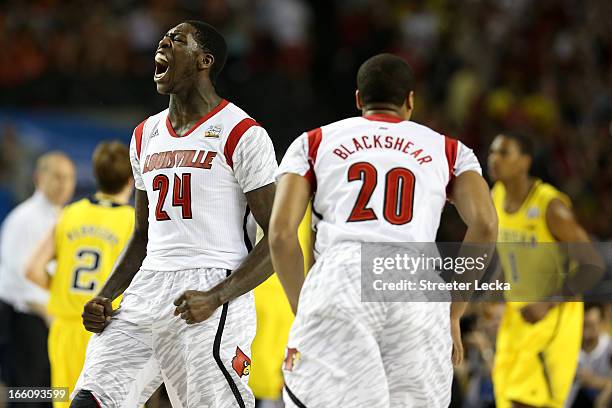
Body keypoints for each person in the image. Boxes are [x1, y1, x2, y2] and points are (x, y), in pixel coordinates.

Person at [269, 53, 498, 408]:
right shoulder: (450, 150)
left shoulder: (312, 142)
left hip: (343, 275)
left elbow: (281, 234)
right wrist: (454, 311)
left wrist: (304, 305)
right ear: (410, 100)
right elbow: (485, 224)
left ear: (359, 100)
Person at [71, 21, 277, 408]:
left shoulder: (243, 133)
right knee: (90, 401)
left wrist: (216, 297)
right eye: (162, 37)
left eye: (176, 40)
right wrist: (105, 295)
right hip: (147, 289)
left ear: (204, 60)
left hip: (213, 287)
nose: (162, 42)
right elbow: (142, 236)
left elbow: (278, 242)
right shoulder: (144, 135)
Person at [488, 133, 599, 408]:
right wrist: (496, 291)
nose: (494, 159)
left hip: (554, 316)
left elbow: (593, 265)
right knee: (505, 397)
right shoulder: (496, 196)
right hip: (517, 314)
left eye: (504, 153)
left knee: (528, 401)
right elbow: (506, 254)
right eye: (492, 152)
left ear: (525, 162)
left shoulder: (551, 207)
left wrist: (547, 303)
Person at [26, 142, 135, 407]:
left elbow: (32, 269)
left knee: (66, 402)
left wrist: (64, 291)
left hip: (66, 327)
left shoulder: (69, 214)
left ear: (95, 175)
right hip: (110, 330)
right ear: (131, 180)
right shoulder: (135, 222)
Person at [0, 151, 76, 408]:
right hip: (27, 320)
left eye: (68, 177)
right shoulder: (24, 219)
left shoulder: (65, 218)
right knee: (26, 394)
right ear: (38, 178)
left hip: (53, 321)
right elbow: (17, 278)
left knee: (54, 392)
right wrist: (50, 312)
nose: (63, 183)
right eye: (56, 176)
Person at [567, 303, 612, 407]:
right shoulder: (570, 347)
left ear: (602, 323)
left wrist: (594, 381)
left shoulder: (609, 347)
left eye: (591, 325)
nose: (586, 331)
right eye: (583, 325)